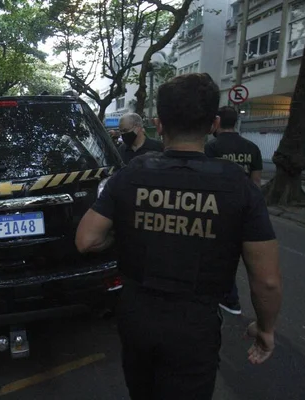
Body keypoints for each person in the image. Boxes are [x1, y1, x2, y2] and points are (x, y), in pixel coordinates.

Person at [75, 73, 282, 400]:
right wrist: (265, 329)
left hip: (136, 317)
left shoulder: (130, 174)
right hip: (194, 325)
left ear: (159, 124)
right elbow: (266, 281)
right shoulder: (239, 187)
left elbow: (87, 239)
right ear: (213, 123)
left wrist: (128, 233)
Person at [205, 105, 264, 315]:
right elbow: (256, 183)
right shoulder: (252, 148)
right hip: (244, 209)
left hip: (218, 208)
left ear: (217, 121)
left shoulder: (211, 148)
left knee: (219, 254)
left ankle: (228, 297)